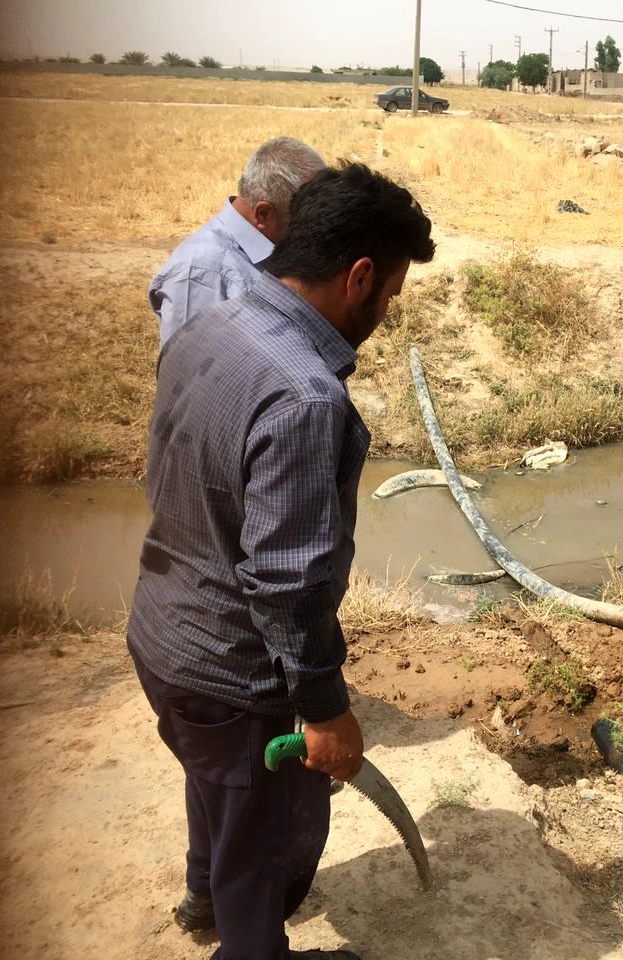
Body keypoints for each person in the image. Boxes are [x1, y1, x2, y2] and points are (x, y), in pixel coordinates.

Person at [128, 161, 435, 960]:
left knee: (222, 797)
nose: (386, 313)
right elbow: (288, 581)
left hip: (162, 637)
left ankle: (208, 898)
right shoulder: (303, 394)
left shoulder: (209, 325)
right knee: (269, 851)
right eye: (390, 295)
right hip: (235, 675)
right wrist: (327, 708)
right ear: (358, 276)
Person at [148, 136, 326, 348]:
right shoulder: (200, 274)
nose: (312, 230)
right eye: (303, 220)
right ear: (263, 214)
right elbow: (190, 374)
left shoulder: (273, 248)